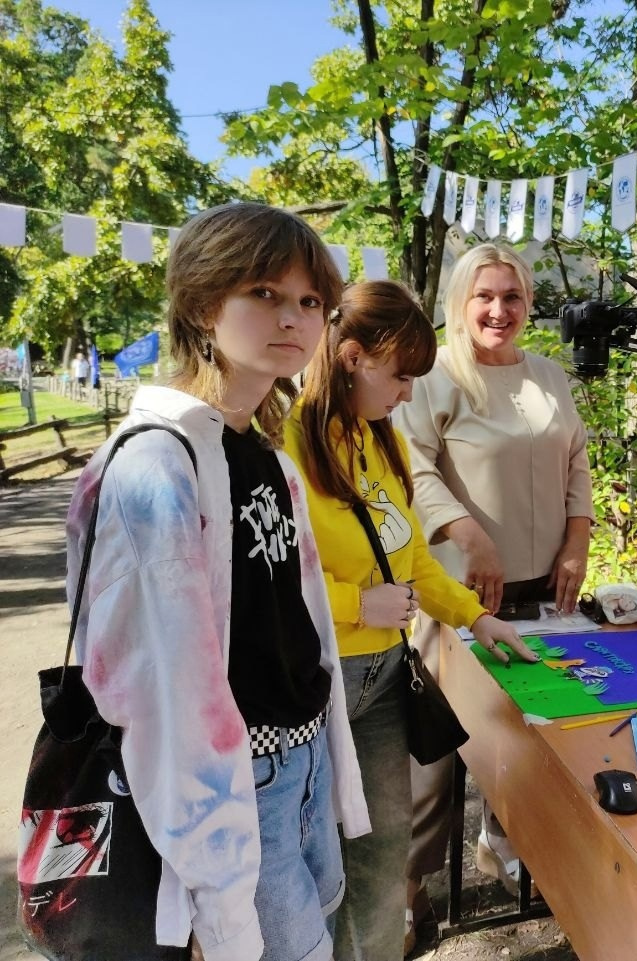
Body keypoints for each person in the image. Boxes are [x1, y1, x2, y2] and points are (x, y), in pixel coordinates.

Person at [64, 202, 371, 961]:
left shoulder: (267, 453)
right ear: (205, 304)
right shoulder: (155, 466)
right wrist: (213, 896)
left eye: (310, 301)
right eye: (264, 292)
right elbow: (162, 700)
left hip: (304, 761)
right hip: (234, 794)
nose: (293, 317)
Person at [282, 278, 538, 961]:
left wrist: (477, 617)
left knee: (383, 849)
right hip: (320, 682)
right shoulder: (286, 443)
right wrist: (354, 605)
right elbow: (264, 580)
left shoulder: (379, 438)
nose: (406, 393)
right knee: (314, 860)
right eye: (399, 376)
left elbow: (414, 557)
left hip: (387, 678)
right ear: (352, 358)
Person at [396, 243, 593, 930]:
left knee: (534, 732)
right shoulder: (434, 377)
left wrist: (579, 537)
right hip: (460, 596)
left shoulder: (548, 376)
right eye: (484, 295)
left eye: (511, 296)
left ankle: (507, 843)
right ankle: (408, 886)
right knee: (437, 753)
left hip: (543, 591)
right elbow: (411, 468)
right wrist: (465, 531)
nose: (498, 310)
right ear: (460, 300)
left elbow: (576, 459)